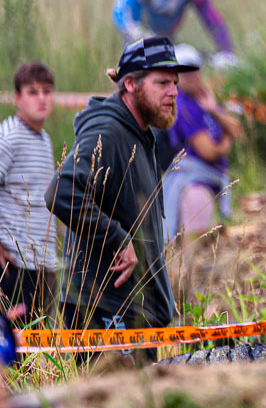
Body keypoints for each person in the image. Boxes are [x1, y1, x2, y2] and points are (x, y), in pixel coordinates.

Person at [48, 36, 195, 341]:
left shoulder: (140, 133)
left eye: (175, 83)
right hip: (105, 310)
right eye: (162, 83)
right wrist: (117, 238)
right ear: (130, 84)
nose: (173, 92)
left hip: (133, 312)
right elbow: (61, 189)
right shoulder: (109, 131)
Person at [162, 44, 243, 244]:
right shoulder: (182, 105)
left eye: (193, 68)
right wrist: (226, 142)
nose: (190, 76)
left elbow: (237, 129)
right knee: (194, 249)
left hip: (211, 180)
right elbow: (209, 151)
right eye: (183, 71)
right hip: (194, 184)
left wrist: (214, 110)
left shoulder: (203, 99)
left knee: (208, 246)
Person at [0, 62, 60, 323]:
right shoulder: (9, 137)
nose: (42, 98)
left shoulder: (43, 139)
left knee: (39, 342)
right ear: (17, 98)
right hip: (15, 265)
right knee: (16, 342)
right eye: (33, 92)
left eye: (47, 91)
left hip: (43, 264)